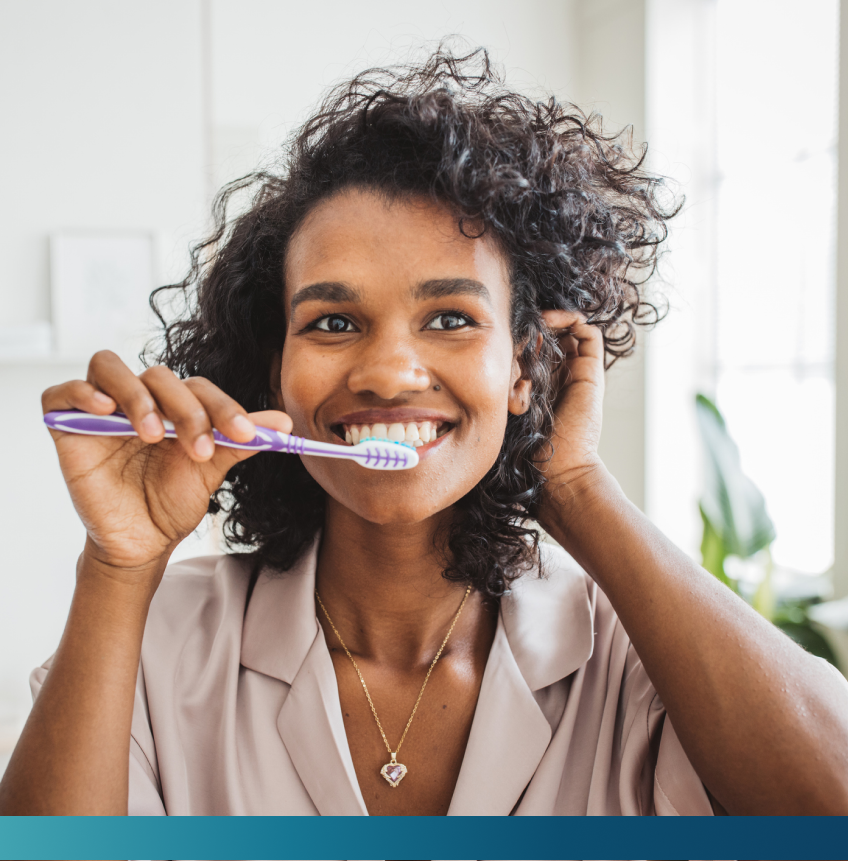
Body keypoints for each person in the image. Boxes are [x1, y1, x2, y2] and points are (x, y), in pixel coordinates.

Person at [1, 47, 847, 819]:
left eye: (448, 316)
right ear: (275, 371)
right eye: (333, 323)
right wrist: (118, 566)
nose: (388, 370)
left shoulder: (640, 656)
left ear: (526, 368)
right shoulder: (158, 640)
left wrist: (577, 489)